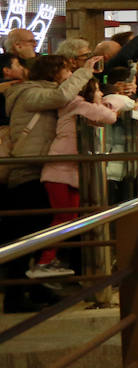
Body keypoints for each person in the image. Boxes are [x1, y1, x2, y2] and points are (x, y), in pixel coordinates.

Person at [2, 54, 99, 310]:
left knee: (42, 231)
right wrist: (85, 72)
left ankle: (35, 290)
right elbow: (61, 97)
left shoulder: (48, 92)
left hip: (43, 169)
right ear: (54, 71)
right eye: (67, 69)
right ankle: (15, 297)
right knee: (27, 233)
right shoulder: (29, 92)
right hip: (26, 170)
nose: (70, 74)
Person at [35, 76, 130, 278]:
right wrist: (116, 102)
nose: (101, 94)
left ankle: (53, 260)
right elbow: (109, 117)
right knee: (64, 217)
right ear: (88, 92)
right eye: (98, 90)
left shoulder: (78, 107)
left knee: (72, 217)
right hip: (58, 171)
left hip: (69, 172)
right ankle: (44, 261)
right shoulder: (77, 104)